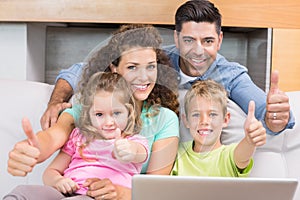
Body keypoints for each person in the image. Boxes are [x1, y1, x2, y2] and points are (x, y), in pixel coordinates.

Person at [38, 0, 294, 139]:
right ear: (176, 37)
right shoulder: (157, 61)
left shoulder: (231, 74)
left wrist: (276, 118)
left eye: (208, 41)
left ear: (220, 39)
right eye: (189, 40)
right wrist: (56, 101)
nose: (198, 51)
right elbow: (78, 70)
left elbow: (267, 114)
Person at [7, 24, 180, 200]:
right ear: (114, 68)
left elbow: (154, 190)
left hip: (105, 196)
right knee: (24, 193)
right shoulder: (86, 108)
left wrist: (121, 193)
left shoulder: (165, 119)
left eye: (151, 67)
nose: (144, 77)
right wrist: (32, 149)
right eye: (132, 67)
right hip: (68, 190)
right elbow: (53, 137)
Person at [4, 72, 149, 200]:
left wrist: (127, 150)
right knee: (22, 192)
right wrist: (57, 181)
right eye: (99, 114)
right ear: (89, 114)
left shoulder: (135, 142)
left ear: (129, 112)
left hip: (98, 197)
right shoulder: (79, 137)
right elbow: (51, 171)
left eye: (116, 113)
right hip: (65, 192)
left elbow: (139, 153)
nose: (108, 122)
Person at [171, 79, 266, 176]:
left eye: (212, 114)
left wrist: (249, 140)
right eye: (196, 115)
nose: (204, 121)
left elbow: (243, 156)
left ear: (225, 119)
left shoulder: (230, 155)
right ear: (186, 120)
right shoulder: (178, 153)